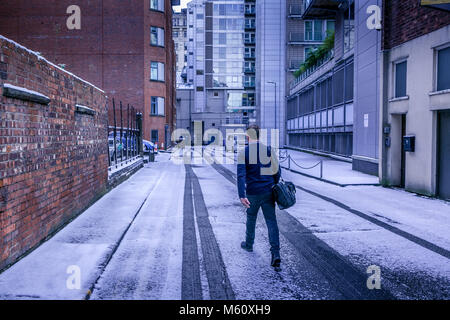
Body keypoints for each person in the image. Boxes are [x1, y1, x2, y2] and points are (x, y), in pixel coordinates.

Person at [237, 124, 282, 271]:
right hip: (268, 191)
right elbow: (277, 171)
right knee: (271, 221)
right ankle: (275, 253)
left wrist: (242, 195)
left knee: (251, 218)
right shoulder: (269, 150)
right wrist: (273, 184)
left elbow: (241, 175)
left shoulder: (244, 152)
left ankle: (249, 244)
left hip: (252, 192)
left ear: (248, 136)